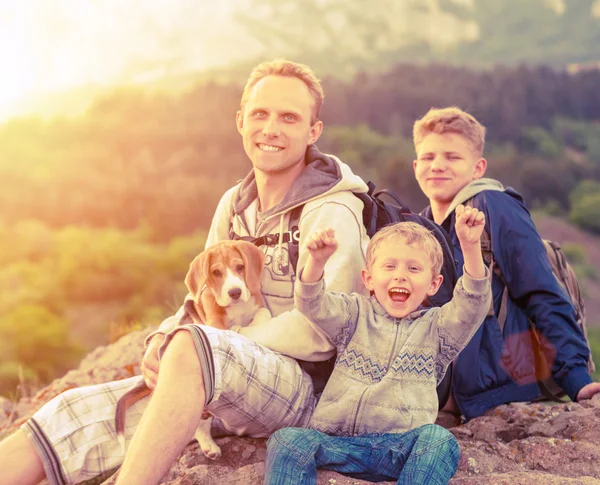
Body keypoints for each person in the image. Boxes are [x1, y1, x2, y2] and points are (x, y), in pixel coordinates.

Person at [0, 59, 371, 485]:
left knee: (195, 347)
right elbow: (202, 296)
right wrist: (164, 336)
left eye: (289, 117)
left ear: (313, 132)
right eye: (260, 114)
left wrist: (220, 340)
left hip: (306, 391)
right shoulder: (234, 204)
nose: (271, 128)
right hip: (224, 378)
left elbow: (330, 330)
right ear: (240, 122)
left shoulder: (333, 210)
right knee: (72, 413)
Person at [264, 212, 492, 485]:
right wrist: (316, 261)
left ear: (434, 284)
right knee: (287, 440)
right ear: (369, 278)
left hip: (397, 450)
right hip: (337, 443)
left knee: (440, 441)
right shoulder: (353, 314)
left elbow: (473, 304)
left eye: (413, 268)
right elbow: (311, 303)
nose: (400, 276)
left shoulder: (438, 329)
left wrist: (470, 247)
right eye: (389, 266)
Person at [412, 106, 600, 421]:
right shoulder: (420, 228)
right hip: (439, 396)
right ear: (416, 165)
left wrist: (577, 380)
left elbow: (541, 292)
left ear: (478, 168)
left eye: (453, 157)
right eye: (429, 158)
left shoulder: (493, 205)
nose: (438, 166)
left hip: (496, 393)